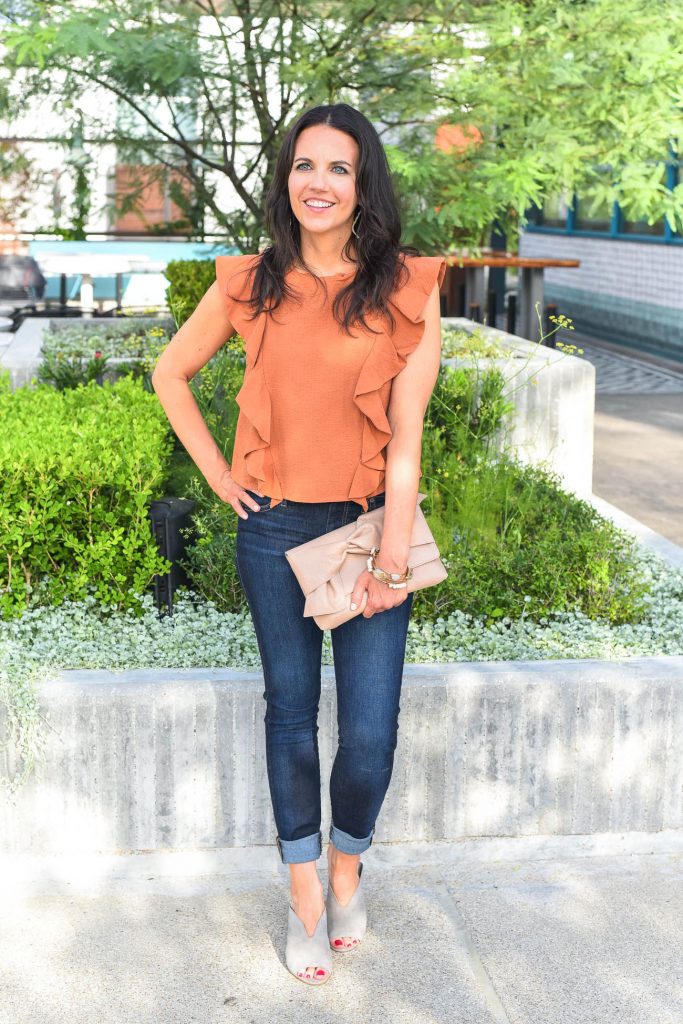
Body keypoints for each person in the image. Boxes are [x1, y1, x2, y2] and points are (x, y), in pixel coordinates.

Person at [151, 102, 445, 986]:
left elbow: (407, 439)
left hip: (363, 533)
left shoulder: (406, 289)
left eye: (338, 169)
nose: (318, 183)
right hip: (272, 526)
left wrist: (392, 560)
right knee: (288, 714)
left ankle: (348, 861)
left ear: (364, 187)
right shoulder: (249, 281)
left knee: (369, 735)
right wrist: (214, 471)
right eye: (304, 166)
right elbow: (172, 371)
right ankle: (303, 893)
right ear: (288, 180)